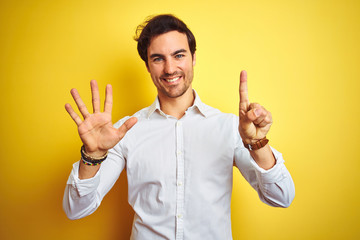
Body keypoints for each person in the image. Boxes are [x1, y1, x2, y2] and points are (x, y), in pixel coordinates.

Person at [63, 14, 295, 240]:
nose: (170, 68)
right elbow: (76, 209)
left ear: (193, 58)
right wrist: (92, 156)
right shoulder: (124, 131)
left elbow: (281, 197)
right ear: (147, 65)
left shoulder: (230, 127)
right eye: (158, 58)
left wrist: (257, 144)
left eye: (179, 55)